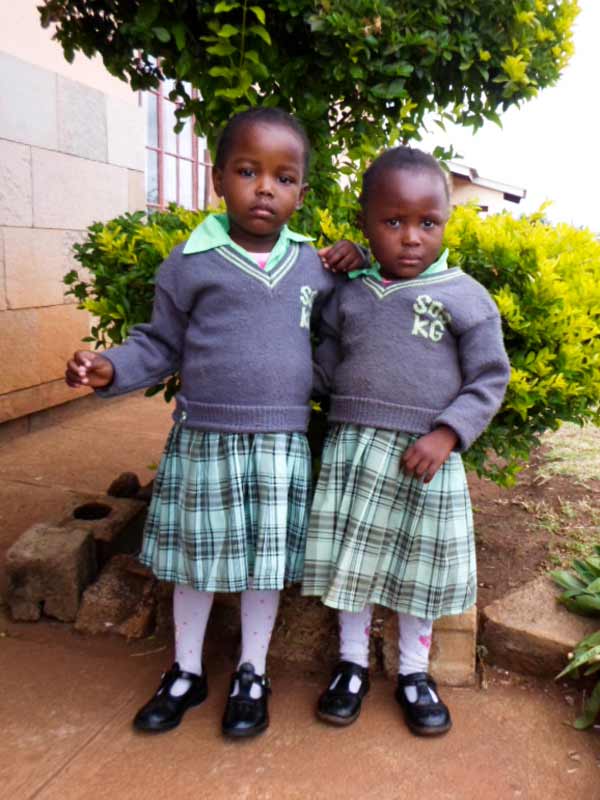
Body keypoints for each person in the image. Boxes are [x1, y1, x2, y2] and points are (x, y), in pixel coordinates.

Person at [65, 107, 365, 738]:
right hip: (205, 439)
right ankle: (185, 670)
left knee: (264, 563)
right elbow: (158, 343)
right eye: (248, 171)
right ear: (218, 178)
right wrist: (109, 368)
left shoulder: (316, 266)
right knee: (196, 562)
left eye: (283, 178)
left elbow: (351, 321)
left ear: (301, 194)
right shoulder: (190, 263)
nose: (265, 188)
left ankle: (252, 671)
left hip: (281, 442)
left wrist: (357, 256)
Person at [302, 146, 511, 736]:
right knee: (353, 566)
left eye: (427, 222)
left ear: (445, 222)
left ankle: (416, 671)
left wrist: (448, 433)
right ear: (365, 222)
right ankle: (350, 663)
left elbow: (489, 377)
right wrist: (329, 270)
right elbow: (321, 361)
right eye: (393, 222)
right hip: (354, 453)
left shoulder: (465, 296)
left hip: (425, 459)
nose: (412, 237)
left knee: (416, 573)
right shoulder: (350, 291)